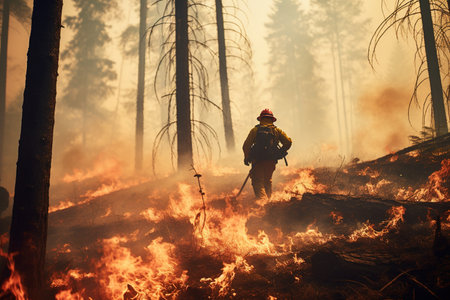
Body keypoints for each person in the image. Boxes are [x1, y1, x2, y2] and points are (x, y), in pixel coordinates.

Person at [242, 109, 292, 199]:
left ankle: (263, 204)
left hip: (257, 161)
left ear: (260, 119)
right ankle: (269, 204)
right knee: (267, 181)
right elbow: (288, 142)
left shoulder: (255, 130)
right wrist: (280, 152)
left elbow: (246, 145)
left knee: (258, 182)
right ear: (272, 120)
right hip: (271, 161)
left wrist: (247, 157)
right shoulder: (277, 131)